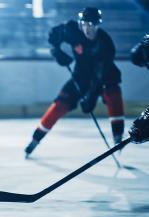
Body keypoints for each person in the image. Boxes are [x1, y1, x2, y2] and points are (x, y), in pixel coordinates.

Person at [25, 7, 125, 157]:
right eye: (85, 24)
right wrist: (57, 51)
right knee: (60, 103)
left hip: (104, 76)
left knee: (113, 93)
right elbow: (53, 35)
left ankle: (118, 139)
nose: (88, 28)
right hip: (80, 75)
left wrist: (91, 97)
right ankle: (35, 139)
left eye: (92, 25)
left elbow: (100, 75)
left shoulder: (105, 44)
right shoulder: (71, 29)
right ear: (80, 23)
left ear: (98, 25)